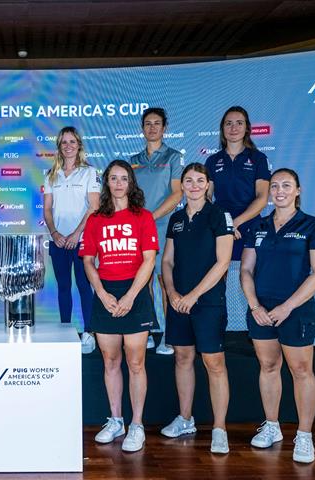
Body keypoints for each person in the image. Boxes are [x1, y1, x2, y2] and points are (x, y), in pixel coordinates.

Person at [240, 168, 315, 464]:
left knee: (301, 370)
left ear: (298, 190)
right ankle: (272, 426)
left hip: (296, 311)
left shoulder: (313, 225)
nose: (279, 190)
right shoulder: (259, 226)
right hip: (261, 311)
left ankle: (304, 436)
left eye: (286, 185)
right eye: (275, 185)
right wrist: (255, 306)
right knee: (268, 366)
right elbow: (246, 270)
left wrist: (287, 307)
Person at [80, 160, 158, 453]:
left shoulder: (144, 217)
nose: (118, 183)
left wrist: (130, 296)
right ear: (107, 183)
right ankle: (116, 420)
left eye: (123, 178)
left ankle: (137, 425)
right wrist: (100, 292)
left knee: (136, 362)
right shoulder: (96, 219)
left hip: (134, 292)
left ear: (131, 183)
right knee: (110, 361)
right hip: (106, 293)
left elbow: (149, 259)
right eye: (113, 178)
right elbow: (88, 260)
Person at [160, 163, 234, 453]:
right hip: (179, 302)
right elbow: (167, 261)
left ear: (207, 185)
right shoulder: (176, 219)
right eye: (188, 180)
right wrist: (173, 292)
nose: (193, 185)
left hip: (207, 303)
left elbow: (223, 262)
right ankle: (186, 419)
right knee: (182, 358)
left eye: (199, 180)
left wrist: (193, 295)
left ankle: (219, 429)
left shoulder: (219, 216)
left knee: (214, 364)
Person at [204, 106, 270, 331]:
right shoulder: (213, 161)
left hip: (250, 226)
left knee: (251, 277)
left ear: (247, 128)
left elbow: (262, 198)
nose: (234, 128)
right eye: (228, 123)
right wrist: (226, 225)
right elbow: (207, 198)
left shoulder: (258, 158)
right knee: (216, 279)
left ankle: (259, 328)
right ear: (222, 129)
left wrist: (237, 223)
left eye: (239, 123)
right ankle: (215, 328)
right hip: (221, 227)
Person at [130, 107, 183, 355]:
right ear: (142, 128)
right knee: (143, 281)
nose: (152, 127)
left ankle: (169, 336)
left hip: (163, 226)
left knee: (165, 280)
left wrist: (152, 216)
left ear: (165, 127)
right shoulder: (134, 160)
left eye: (157, 123)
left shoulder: (173, 156)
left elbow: (177, 193)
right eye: (148, 123)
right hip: (139, 228)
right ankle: (150, 331)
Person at [43, 126, 100, 354]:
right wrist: (56, 234)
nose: (68, 146)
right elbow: (47, 210)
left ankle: (89, 332)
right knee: (63, 287)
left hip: (83, 240)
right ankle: (66, 330)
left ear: (79, 146)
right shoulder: (51, 175)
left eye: (72, 142)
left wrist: (76, 234)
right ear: (59, 146)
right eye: (64, 142)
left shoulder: (89, 172)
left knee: (85, 286)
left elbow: (94, 207)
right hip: (58, 242)